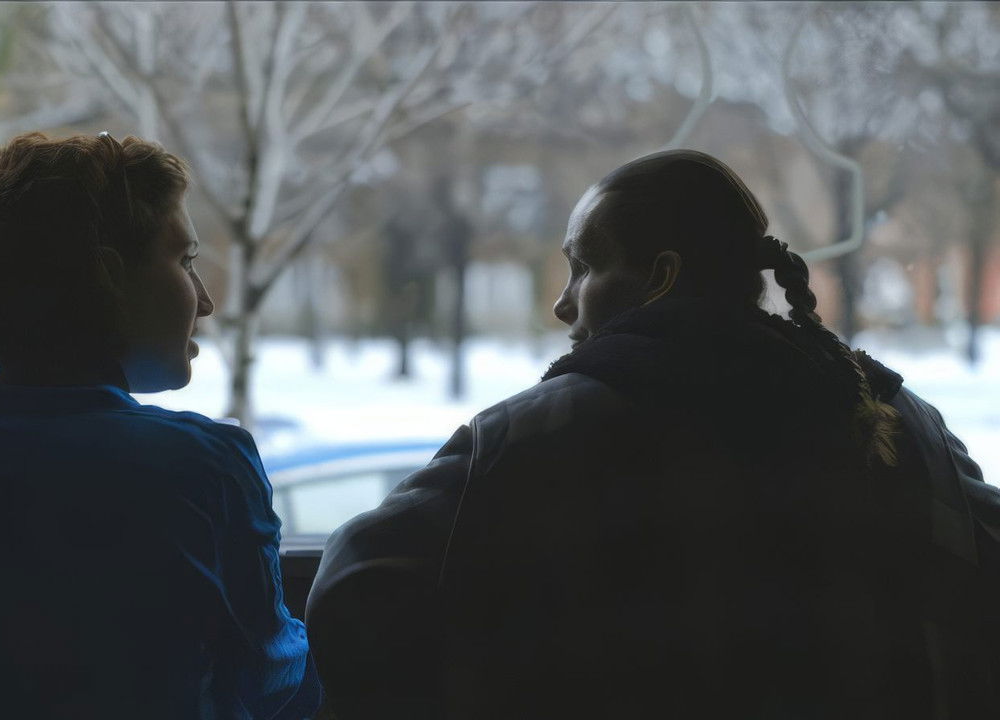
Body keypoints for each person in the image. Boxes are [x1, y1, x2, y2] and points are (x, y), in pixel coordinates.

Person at [306, 149, 1000, 719]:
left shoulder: (531, 436)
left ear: (661, 278)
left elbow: (354, 592)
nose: (563, 303)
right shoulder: (900, 420)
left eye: (583, 267)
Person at [0, 132, 320, 719]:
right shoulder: (203, 464)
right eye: (184, 262)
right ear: (108, 278)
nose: (204, 302)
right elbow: (272, 677)